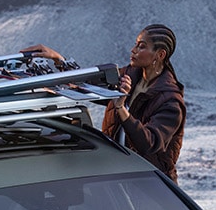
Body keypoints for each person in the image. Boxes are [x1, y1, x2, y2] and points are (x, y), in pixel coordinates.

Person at [23, 23, 186, 180]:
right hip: (116, 172)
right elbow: (89, 85)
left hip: (149, 183)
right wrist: (59, 60)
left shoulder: (170, 102)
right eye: (135, 44)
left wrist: (120, 107)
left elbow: (148, 143)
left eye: (141, 46)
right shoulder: (129, 75)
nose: (133, 50)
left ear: (160, 55)